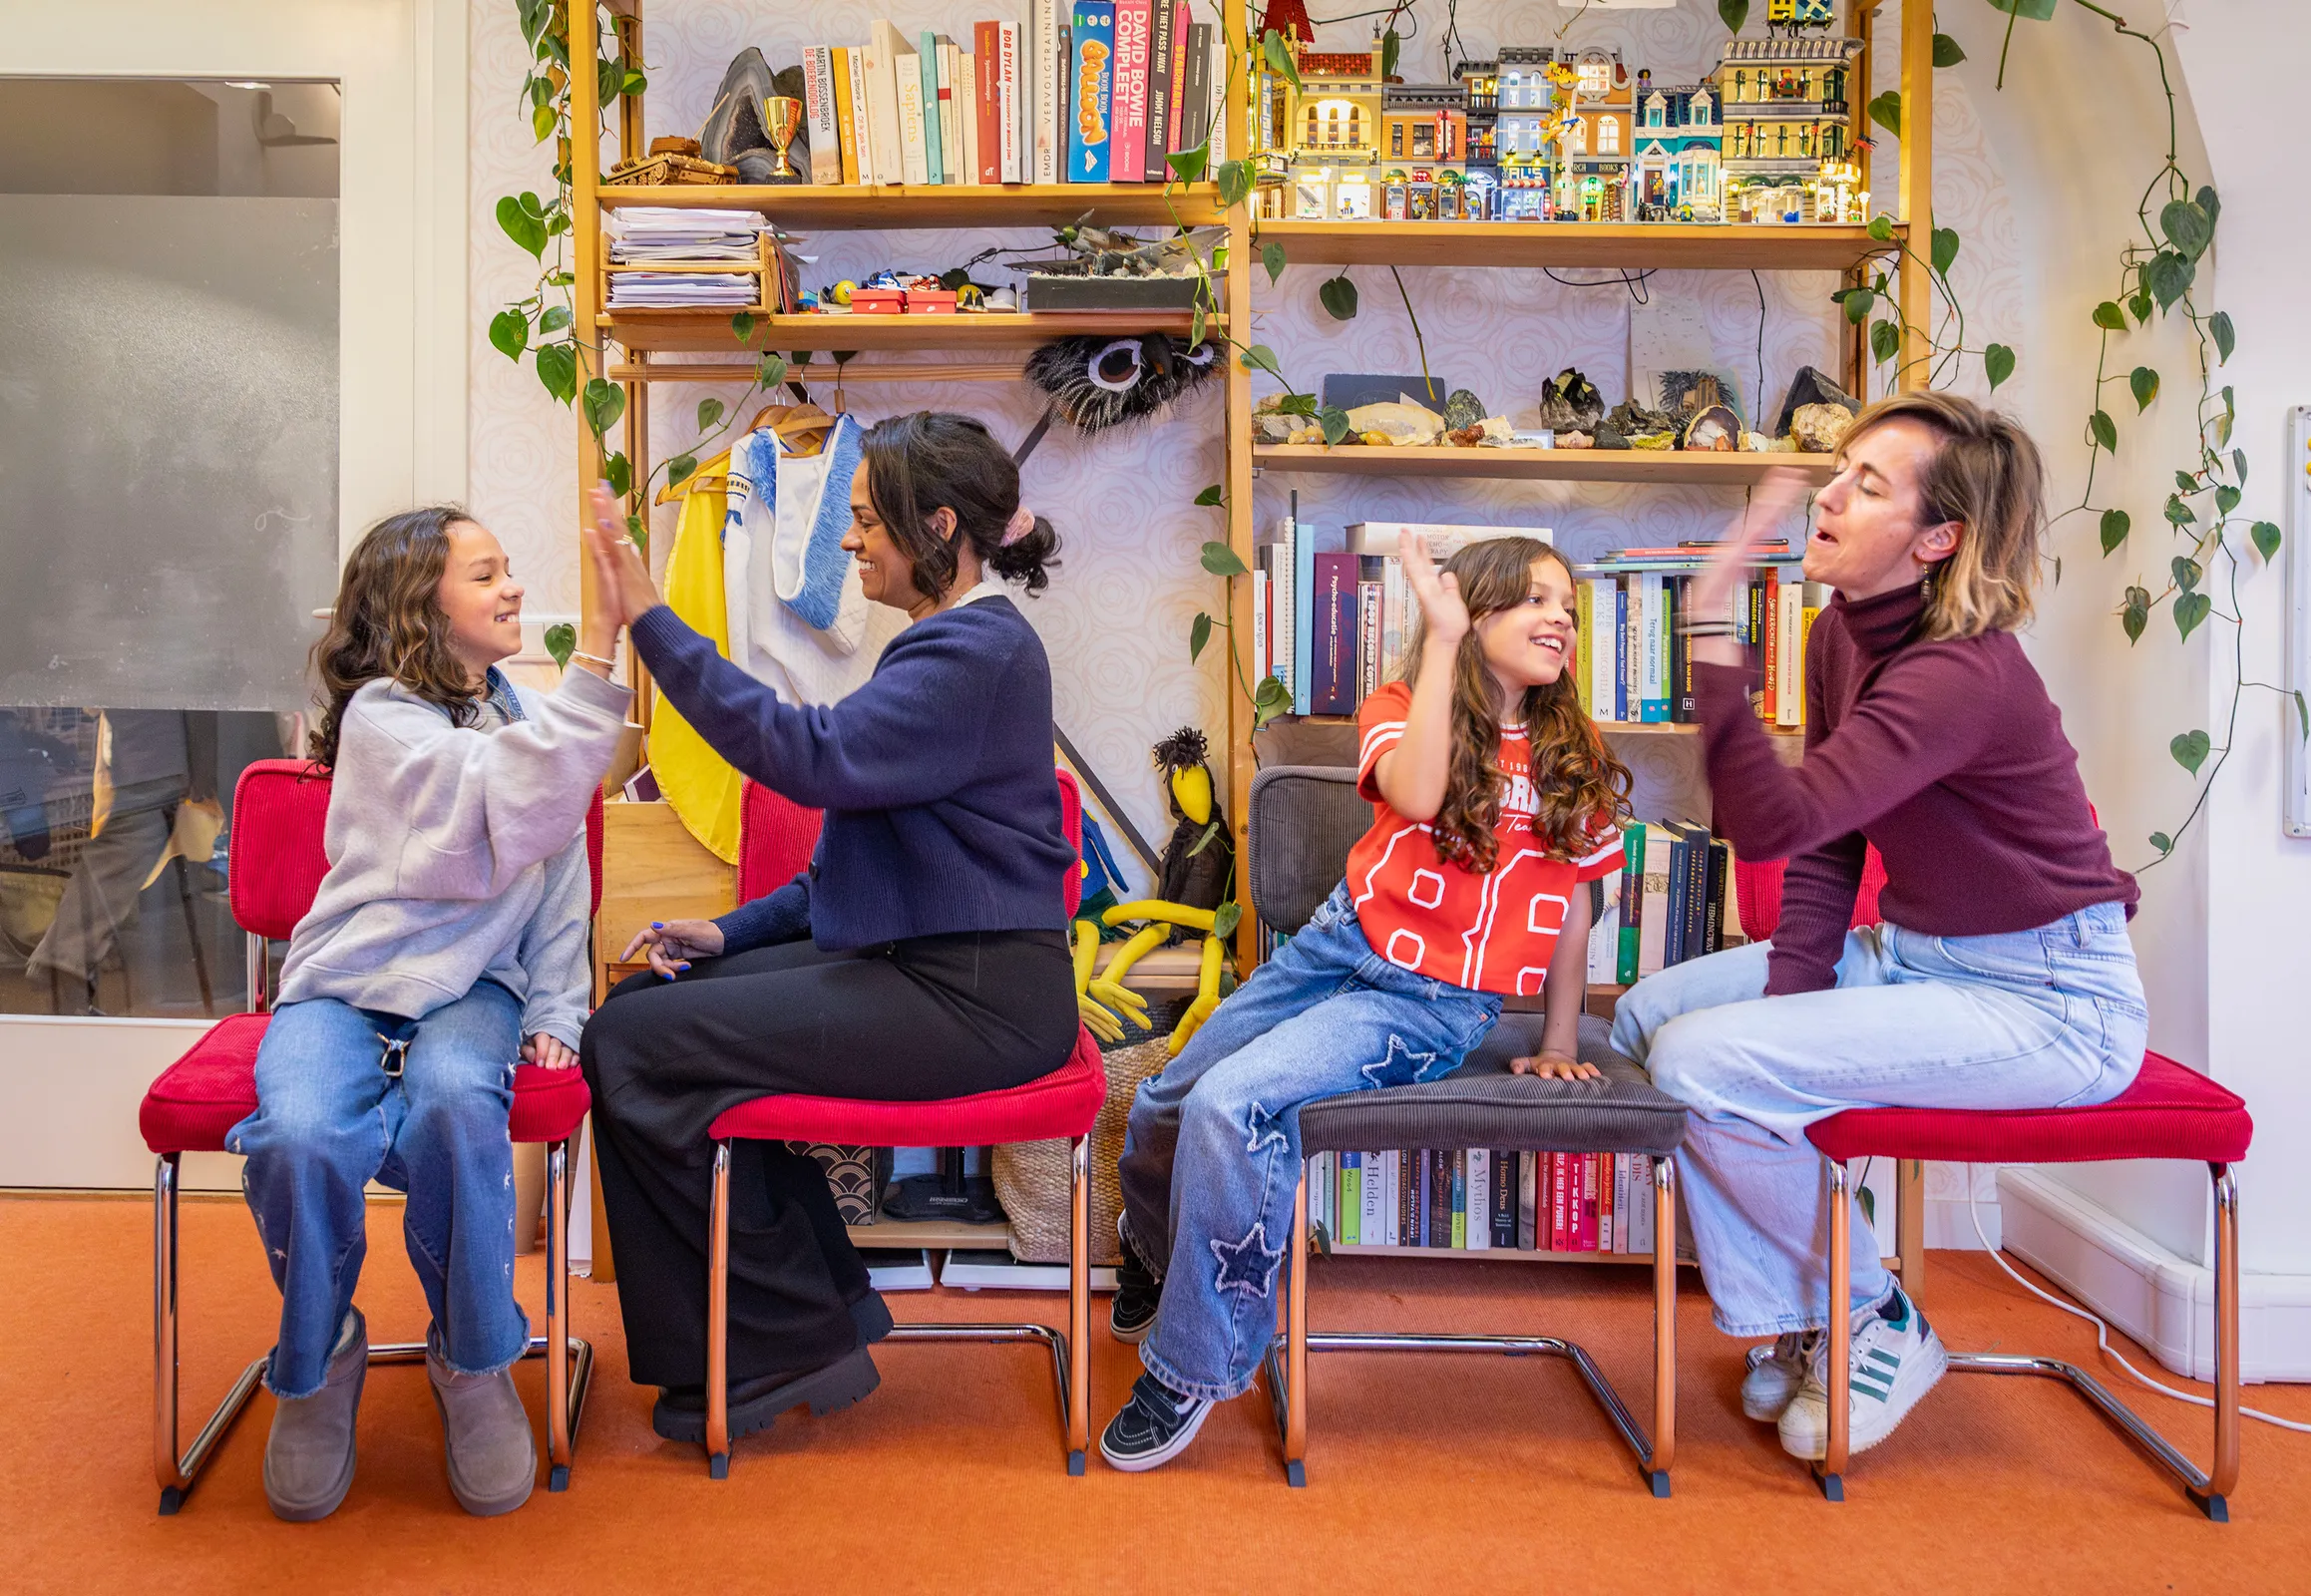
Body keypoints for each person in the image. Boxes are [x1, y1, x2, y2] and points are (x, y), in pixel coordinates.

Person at [1609, 391, 2146, 1463]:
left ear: (1937, 538)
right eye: (1839, 469)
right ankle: (1810, 1308)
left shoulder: (1963, 674)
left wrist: (1710, 625)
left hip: (2050, 999)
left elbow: (1772, 817)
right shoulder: (1839, 637)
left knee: (1699, 1063)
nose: (1831, 494)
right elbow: (1827, 844)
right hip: (1916, 958)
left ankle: (1869, 1315)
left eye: (1869, 483)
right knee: (1645, 1016)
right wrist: (1794, 997)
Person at [578, 410, 1080, 1450]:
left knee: (629, 1042)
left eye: (867, 523)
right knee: (644, 1009)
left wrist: (650, 621)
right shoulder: (942, 645)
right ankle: (810, 1316)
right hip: (928, 968)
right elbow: (845, 860)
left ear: (937, 526)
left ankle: (781, 1335)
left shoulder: (975, 654)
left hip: (978, 998)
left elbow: (805, 758)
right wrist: (729, 935)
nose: (850, 543)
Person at [1104, 534, 1632, 1471]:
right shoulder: (1398, 704)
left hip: (1429, 1002)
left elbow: (1575, 900)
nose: (1562, 619)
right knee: (1165, 1098)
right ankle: (1151, 1240)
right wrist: (1438, 643)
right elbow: (1420, 791)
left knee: (1237, 1106)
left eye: (1571, 608)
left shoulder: (1572, 753)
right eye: (1536, 601)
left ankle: (1192, 1364)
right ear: (1473, 614)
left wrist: (1558, 1034)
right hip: (1337, 945)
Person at [227, 506, 632, 1521]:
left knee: (458, 1108)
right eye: (486, 574)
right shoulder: (381, 721)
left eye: (508, 569)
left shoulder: (528, 723)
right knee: (300, 1134)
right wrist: (601, 646)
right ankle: (317, 1360)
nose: (510, 589)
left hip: (473, 995)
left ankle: (472, 1358)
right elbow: (493, 801)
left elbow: (558, 876)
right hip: (345, 986)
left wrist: (555, 1005)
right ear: (424, 606)